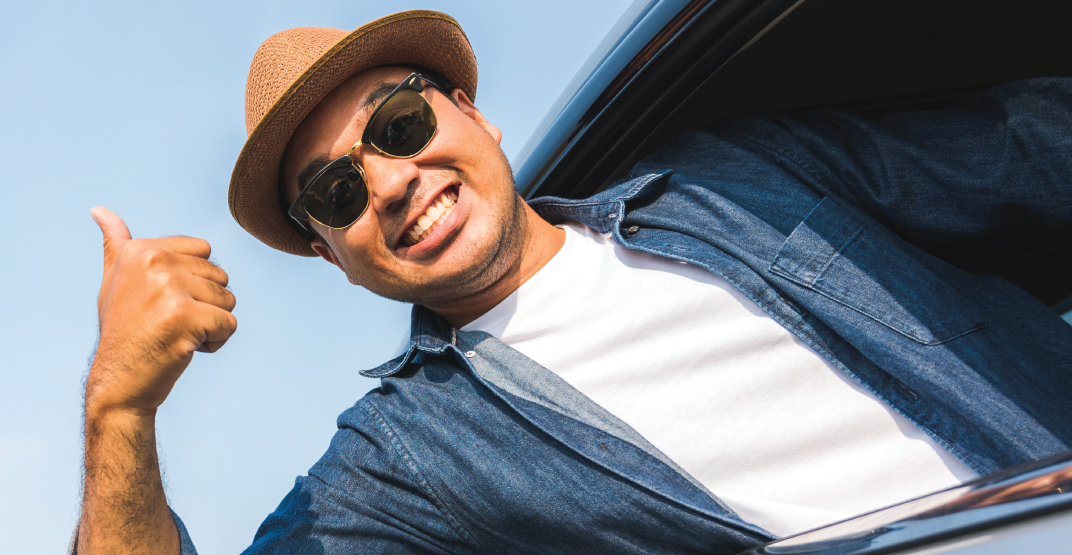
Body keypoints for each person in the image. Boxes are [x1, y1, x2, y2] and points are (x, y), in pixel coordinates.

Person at [76, 10, 1072, 555]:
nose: (389, 182)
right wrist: (119, 409)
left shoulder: (735, 177)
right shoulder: (406, 462)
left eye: (399, 127)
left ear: (468, 112)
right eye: (335, 191)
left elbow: (1037, 150)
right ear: (330, 256)